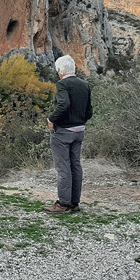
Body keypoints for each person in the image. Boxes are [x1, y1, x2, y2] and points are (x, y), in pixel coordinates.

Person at [44, 54, 93, 214]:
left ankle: (63, 203)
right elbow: (89, 112)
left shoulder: (62, 84)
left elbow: (64, 104)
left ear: (60, 70)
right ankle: (74, 203)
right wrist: (80, 121)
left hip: (63, 132)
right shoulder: (84, 84)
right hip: (80, 131)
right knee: (76, 165)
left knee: (63, 167)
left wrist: (51, 119)